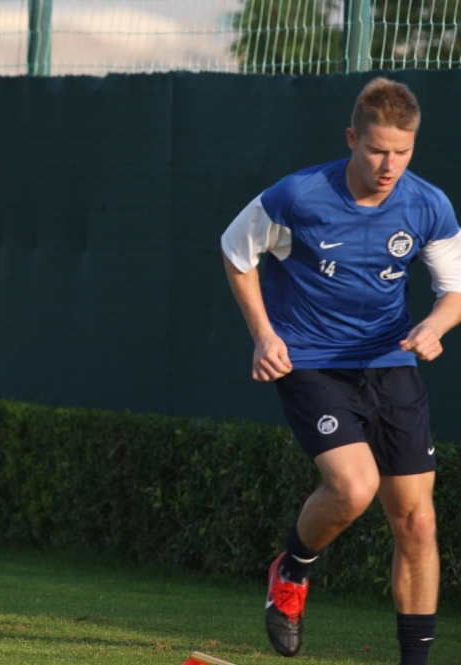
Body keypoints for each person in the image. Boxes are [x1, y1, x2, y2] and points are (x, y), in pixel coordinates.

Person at [221, 77, 461, 664]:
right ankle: (293, 570)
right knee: (355, 487)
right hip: (311, 362)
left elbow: (454, 291)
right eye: (377, 149)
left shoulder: (427, 204)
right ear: (352, 138)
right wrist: (263, 336)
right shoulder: (298, 197)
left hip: (389, 362)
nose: (389, 165)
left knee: (418, 522)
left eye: (402, 152)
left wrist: (434, 326)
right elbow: (235, 252)